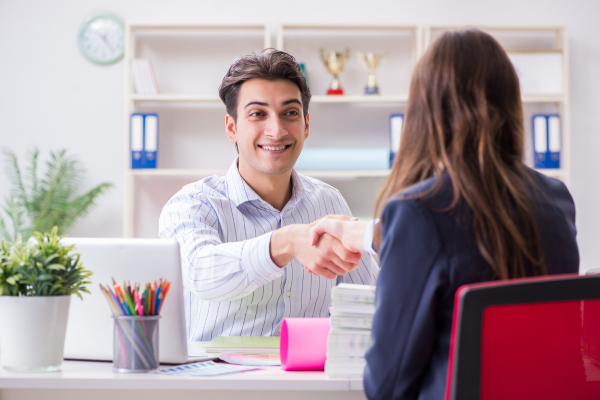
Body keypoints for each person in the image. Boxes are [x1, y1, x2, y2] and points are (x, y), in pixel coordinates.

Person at [309, 29, 579, 400]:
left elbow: (386, 385)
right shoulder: (555, 199)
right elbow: (469, 237)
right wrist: (369, 235)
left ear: (424, 111)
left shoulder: (418, 210)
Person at [159, 49, 378, 341]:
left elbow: (370, 298)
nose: (276, 130)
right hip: (216, 380)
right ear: (232, 128)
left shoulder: (329, 201)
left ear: (306, 124)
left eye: (290, 113)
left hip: (308, 378)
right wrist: (285, 243)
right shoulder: (192, 204)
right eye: (257, 114)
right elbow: (202, 273)